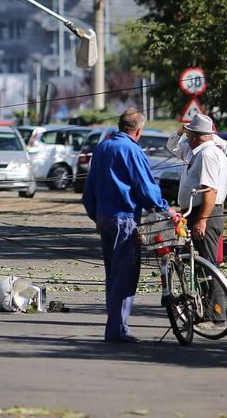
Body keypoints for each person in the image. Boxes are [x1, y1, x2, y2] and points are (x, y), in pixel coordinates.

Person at [83, 108, 172, 343]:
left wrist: (96, 216)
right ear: (139, 130)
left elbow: (89, 188)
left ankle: (114, 326)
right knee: (125, 275)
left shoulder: (102, 148)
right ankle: (117, 330)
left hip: (105, 217)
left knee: (113, 274)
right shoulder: (132, 150)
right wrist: (164, 208)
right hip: (125, 219)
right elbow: (145, 188)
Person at [170, 113, 227, 322]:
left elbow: (210, 191)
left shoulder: (208, 154)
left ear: (198, 136)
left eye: (190, 134)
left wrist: (202, 219)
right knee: (202, 265)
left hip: (207, 213)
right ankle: (205, 310)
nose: (188, 138)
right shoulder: (204, 151)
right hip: (201, 212)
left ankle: (216, 312)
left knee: (208, 265)